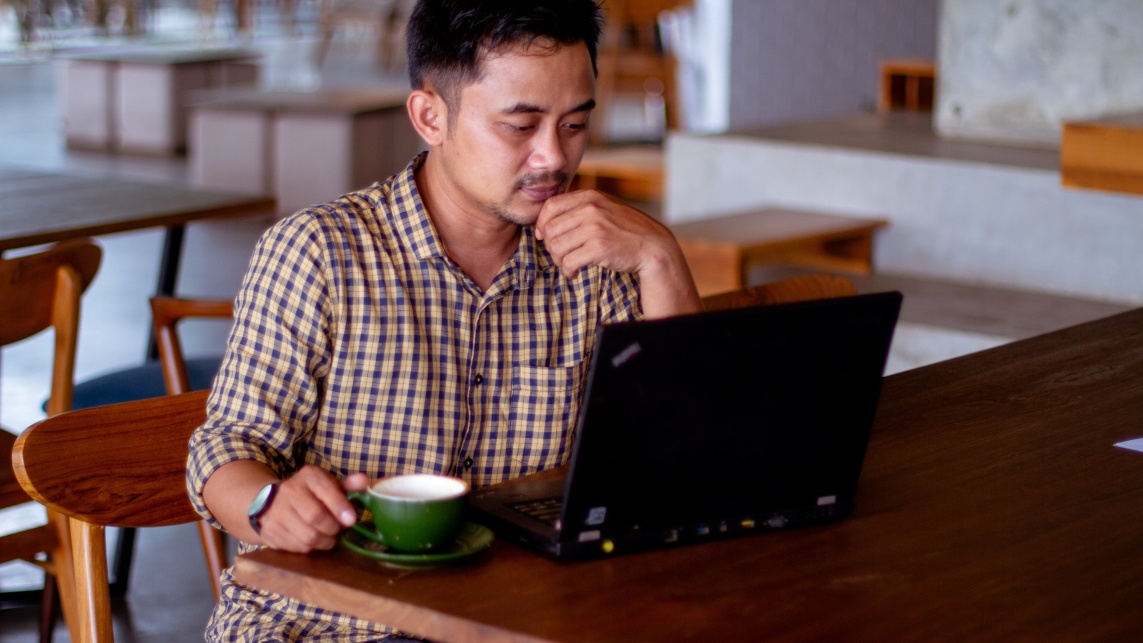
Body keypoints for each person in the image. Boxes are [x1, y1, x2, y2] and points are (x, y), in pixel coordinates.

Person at [186, 0, 702, 640]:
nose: (552, 158)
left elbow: (681, 460)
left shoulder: (598, 261)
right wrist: (269, 506)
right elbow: (225, 447)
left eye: (574, 125)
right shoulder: (320, 251)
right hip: (324, 622)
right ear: (431, 115)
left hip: (517, 615)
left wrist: (660, 257)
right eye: (520, 126)